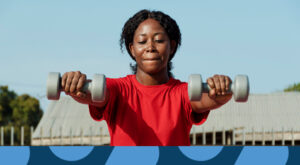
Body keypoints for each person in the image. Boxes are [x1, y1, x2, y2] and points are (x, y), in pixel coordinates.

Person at [61, 9, 232, 146]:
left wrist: (222, 87)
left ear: (171, 47)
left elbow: (211, 98)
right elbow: (96, 93)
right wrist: (75, 85)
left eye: (158, 40)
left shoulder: (182, 93)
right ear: (132, 49)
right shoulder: (119, 90)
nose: (150, 47)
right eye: (142, 42)